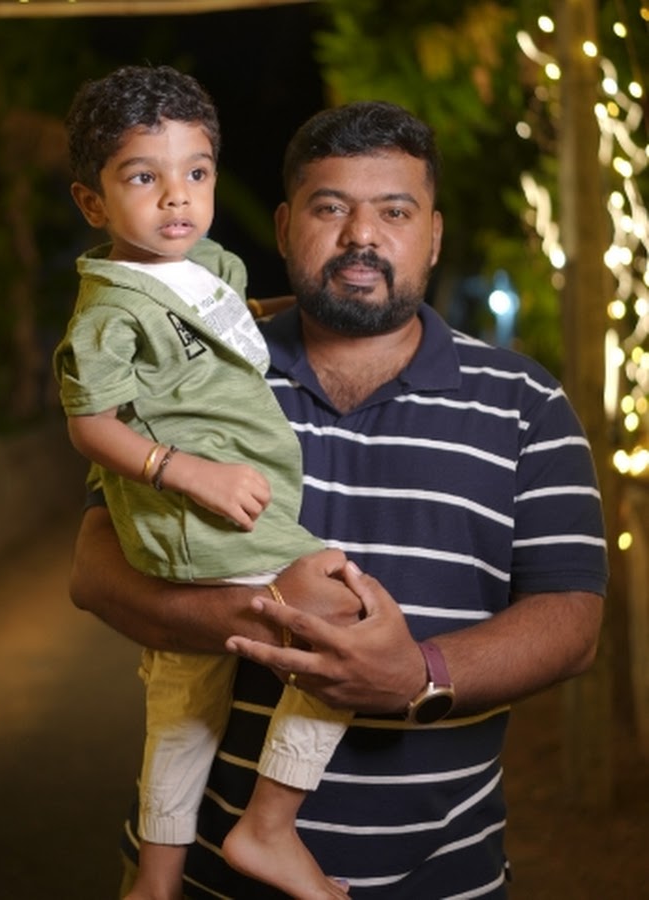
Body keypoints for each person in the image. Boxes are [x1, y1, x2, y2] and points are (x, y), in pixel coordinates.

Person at [68, 99, 608, 899]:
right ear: (286, 228)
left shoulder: (526, 404)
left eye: (395, 211)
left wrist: (417, 674)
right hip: (206, 884)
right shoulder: (198, 372)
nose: (362, 236)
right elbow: (95, 571)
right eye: (331, 209)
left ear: (433, 235)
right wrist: (292, 628)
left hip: (442, 877)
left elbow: (571, 621)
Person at [53, 65, 361, 900]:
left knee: (186, 704)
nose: (176, 197)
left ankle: (155, 883)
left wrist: (296, 312)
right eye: (142, 178)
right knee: (343, 619)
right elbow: (90, 425)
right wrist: (185, 472)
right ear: (92, 203)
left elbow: (229, 322)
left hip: (217, 513)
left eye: (196, 172)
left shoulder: (204, 264)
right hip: (201, 515)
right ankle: (269, 828)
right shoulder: (109, 313)